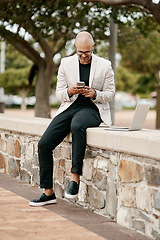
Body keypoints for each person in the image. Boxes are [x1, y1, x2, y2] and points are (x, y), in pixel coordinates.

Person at [29, 31, 115, 207]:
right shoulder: (65, 63)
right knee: (44, 144)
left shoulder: (105, 65)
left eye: (87, 53)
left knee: (77, 125)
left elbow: (111, 94)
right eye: (80, 53)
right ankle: (48, 193)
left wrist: (95, 93)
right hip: (70, 106)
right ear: (75, 49)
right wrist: (70, 91)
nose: (83, 56)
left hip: (93, 108)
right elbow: (59, 93)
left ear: (93, 47)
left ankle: (75, 179)